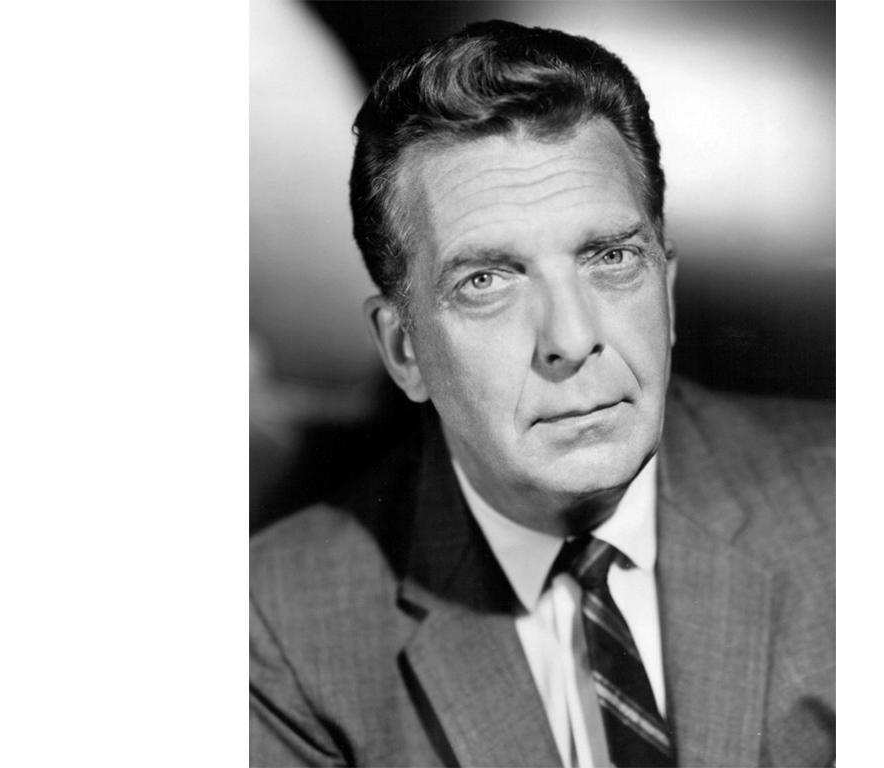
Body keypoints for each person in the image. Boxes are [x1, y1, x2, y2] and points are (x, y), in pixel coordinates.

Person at [250, 20, 834, 767]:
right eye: (486, 281)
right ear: (404, 351)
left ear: (667, 291)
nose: (572, 338)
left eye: (611, 258)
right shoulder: (279, 628)